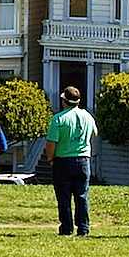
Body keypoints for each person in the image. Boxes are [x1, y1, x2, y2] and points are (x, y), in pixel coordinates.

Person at [43, 85, 98, 237]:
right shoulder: (87, 116)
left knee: (64, 197)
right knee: (81, 196)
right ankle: (83, 228)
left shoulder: (58, 119)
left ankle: (66, 228)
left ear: (64, 101)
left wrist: (50, 158)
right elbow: (95, 132)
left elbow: (51, 143)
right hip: (83, 160)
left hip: (63, 161)